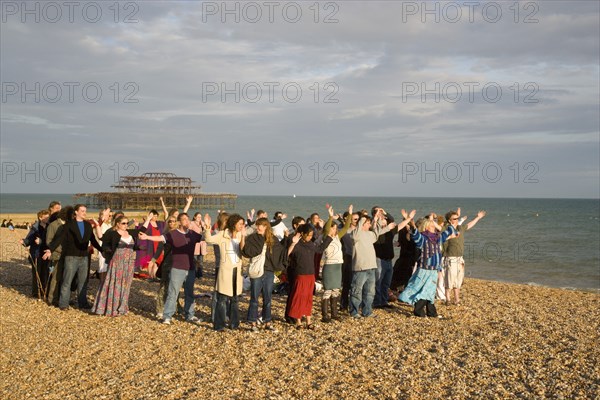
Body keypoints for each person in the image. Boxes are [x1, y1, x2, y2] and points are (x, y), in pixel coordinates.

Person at [140, 213, 204, 325]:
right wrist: (146, 237)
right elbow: (160, 238)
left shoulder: (192, 234)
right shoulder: (172, 234)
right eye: (184, 219)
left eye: (188, 219)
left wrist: (206, 228)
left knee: (189, 293)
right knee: (172, 293)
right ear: (179, 222)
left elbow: (206, 239)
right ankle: (167, 316)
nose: (187, 221)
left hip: (190, 268)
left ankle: (190, 315)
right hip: (177, 268)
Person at [91, 214, 150, 316]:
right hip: (117, 263)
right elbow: (101, 238)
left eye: (127, 223)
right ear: (117, 224)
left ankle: (122, 307)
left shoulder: (130, 233)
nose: (126, 225)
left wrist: (148, 219)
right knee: (114, 284)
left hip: (129, 263)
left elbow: (142, 230)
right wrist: (97, 225)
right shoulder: (113, 234)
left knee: (126, 286)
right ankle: (110, 308)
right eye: (123, 223)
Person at [399, 213, 457, 318]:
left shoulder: (438, 238)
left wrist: (452, 223)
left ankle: (431, 312)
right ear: (426, 227)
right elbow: (415, 235)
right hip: (424, 269)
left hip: (434, 269)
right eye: (431, 226)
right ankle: (419, 311)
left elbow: (448, 232)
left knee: (430, 291)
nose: (434, 227)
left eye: (434, 226)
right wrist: (412, 225)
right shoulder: (423, 238)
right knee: (424, 290)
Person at [203, 213, 246, 331]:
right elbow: (208, 239)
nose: (242, 226)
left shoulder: (241, 236)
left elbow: (245, 250)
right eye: (240, 224)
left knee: (235, 299)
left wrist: (243, 237)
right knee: (222, 299)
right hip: (225, 271)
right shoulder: (222, 234)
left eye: (243, 224)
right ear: (234, 224)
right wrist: (207, 228)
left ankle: (234, 324)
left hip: (237, 270)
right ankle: (219, 325)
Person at [55, 204, 102, 310]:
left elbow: (93, 240)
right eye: (82, 211)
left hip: (84, 257)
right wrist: (50, 249)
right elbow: (60, 239)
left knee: (83, 281)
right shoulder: (68, 225)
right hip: (71, 257)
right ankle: (63, 304)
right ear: (76, 212)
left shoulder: (87, 225)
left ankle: (83, 303)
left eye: (85, 211)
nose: (84, 213)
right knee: (67, 281)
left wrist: (102, 250)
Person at [242, 218, 285, 332]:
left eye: (261, 225)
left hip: (269, 272)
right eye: (258, 225)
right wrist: (242, 237)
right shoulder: (253, 238)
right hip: (257, 271)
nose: (259, 227)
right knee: (254, 298)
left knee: (268, 298)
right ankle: (252, 322)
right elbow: (246, 251)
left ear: (266, 227)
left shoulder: (273, 239)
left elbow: (281, 253)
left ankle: (267, 321)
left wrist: (291, 241)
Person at [287, 223, 333, 330]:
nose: (310, 237)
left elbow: (320, 249)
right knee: (298, 297)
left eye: (311, 235)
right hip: (300, 274)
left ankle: (308, 321)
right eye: (308, 235)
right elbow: (287, 254)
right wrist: (293, 242)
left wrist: (329, 237)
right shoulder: (296, 244)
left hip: (310, 274)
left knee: (308, 298)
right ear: (302, 234)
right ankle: (298, 321)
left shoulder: (311, 244)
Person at [443, 209, 486, 305]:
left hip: (460, 258)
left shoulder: (460, 228)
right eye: (455, 218)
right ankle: (448, 299)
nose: (457, 220)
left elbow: (469, 225)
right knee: (449, 279)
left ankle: (457, 299)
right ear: (450, 220)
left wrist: (478, 217)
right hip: (451, 258)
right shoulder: (446, 229)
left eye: (457, 218)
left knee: (458, 280)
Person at [320, 205, 352, 322]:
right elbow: (327, 227)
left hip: (338, 266)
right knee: (327, 290)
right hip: (329, 266)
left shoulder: (338, 237)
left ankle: (334, 314)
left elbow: (346, 226)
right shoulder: (326, 237)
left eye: (335, 228)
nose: (335, 229)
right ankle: (325, 315)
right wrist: (330, 217)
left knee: (336, 290)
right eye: (333, 228)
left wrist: (350, 214)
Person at [21, 210, 51, 298]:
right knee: (36, 274)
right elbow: (29, 239)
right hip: (36, 254)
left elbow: (51, 240)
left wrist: (41, 241)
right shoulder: (35, 228)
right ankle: (36, 293)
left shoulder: (50, 227)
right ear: (40, 218)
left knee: (45, 273)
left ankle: (44, 291)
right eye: (45, 217)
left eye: (48, 216)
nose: (47, 218)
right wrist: (24, 242)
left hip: (46, 253)